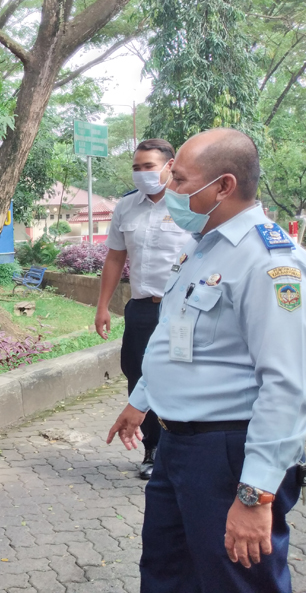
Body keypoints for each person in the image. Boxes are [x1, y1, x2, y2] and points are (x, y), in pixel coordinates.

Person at [106, 128, 306, 592]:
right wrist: (141, 400)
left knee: (235, 582)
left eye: (179, 180)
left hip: (228, 455)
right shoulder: (201, 246)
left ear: (223, 185)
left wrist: (255, 495)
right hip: (175, 446)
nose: (169, 190)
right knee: (166, 576)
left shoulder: (270, 262)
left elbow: (284, 387)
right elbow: (174, 338)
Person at [95, 139, 191, 479]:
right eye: (136, 168)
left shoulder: (189, 205)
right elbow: (115, 258)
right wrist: (103, 306)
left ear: (169, 165)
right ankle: (152, 450)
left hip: (182, 312)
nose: (141, 174)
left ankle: (179, 447)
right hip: (141, 310)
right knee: (138, 376)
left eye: (148, 166)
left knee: (179, 377)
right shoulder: (126, 207)